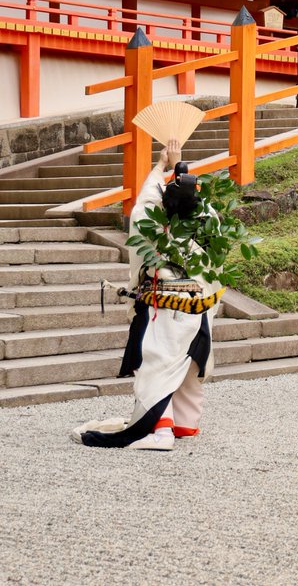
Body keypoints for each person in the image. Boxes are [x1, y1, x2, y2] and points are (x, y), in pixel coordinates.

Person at [72, 140, 221, 450]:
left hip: (164, 307)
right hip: (197, 306)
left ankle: (162, 432)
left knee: (154, 364)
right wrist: (182, 171)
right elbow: (203, 210)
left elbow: (144, 201)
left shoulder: (150, 220)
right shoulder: (206, 222)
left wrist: (161, 165)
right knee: (188, 364)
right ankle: (185, 424)